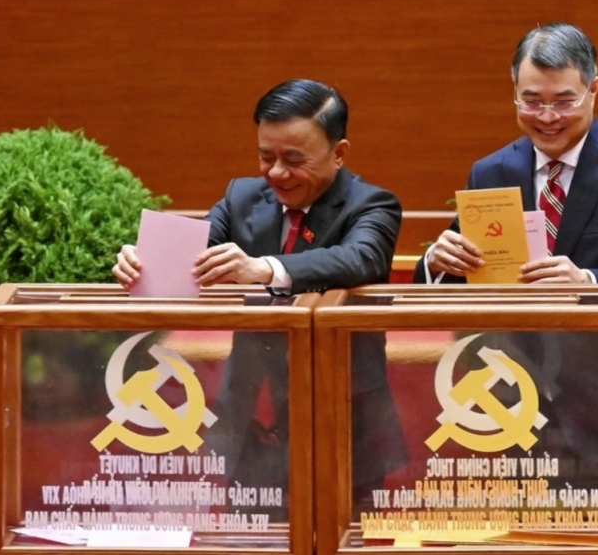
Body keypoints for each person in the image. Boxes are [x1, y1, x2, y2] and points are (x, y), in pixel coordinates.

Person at [113, 78, 406, 516]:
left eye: (293, 159)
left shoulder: (372, 205)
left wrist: (265, 268)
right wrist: (142, 261)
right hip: (251, 413)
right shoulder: (242, 197)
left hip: (339, 418)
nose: (276, 173)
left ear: (339, 153)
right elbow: (193, 251)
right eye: (265, 156)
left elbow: (360, 257)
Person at [414, 23, 598, 464]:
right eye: (532, 100)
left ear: (594, 89)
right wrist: (436, 261)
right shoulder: (491, 172)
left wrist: (588, 282)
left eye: (564, 101)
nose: (547, 116)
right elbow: (461, 275)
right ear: (514, 90)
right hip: (507, 400)